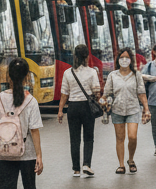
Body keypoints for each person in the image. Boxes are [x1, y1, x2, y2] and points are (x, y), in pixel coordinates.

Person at [0, 57, 43, 189]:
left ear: (9, 76)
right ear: (27, 77)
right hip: (26, 151)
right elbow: (34, 131)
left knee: (5, 184)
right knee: (29, 184)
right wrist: (39, 156)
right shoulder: (31, 101)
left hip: (5, 150)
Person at [102, 46, 150, 173]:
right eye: (121, 57)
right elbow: (106, 93)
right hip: (117, 110)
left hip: (133, 109)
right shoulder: (112, 75)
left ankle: (131, 159)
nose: (124, 60)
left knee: (132, 136)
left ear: (131, 60)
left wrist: (146, 109)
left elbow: (141, 93)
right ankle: (121, 165)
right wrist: (103, 101)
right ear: (118, 60)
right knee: (120, 138)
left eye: (126, 58)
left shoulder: (136, 75)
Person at [57, 43, 101, 177]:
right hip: (87, 107)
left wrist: (60, 111)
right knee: (88, 137)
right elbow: (96, 92)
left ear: (74, 56)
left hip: (73, 107)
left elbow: (64, 93)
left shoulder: (67, 73)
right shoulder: (92, 72)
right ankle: (86, 164)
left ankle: (76, 169)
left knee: (74, 139)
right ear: (87, 56)